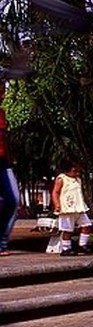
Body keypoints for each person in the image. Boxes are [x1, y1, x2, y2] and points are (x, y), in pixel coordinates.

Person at [52, 161, 92, 256]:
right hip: (67, 208)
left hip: (79, 207)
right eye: (74, 171)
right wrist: (56, 204)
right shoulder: (61, 179)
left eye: (78, 171)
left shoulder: (78, 180)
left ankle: (82, 245)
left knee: (87, 225)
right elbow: (55, 192)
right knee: (67, 230)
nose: (77, 173)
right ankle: (66, 248)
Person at [0, 82, 19, 255]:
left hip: (3, 163)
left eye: (3, 92)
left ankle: (1, 242)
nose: (2, 96)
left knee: (13, 200)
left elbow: (4, 139)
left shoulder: (1, 114)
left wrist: (10, 161)